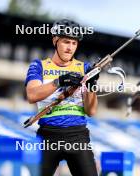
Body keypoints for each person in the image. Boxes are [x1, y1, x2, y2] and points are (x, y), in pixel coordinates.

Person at [25, 19, 99, 176]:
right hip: (48, 135)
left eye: (74, 43)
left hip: (78, 136)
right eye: (66, 42)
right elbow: (32, 95)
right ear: (55, 40)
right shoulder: (39, 66)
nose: (70, 47)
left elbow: (91, 111)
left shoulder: (84, 68)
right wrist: (58, 82)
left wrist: (92, 86)